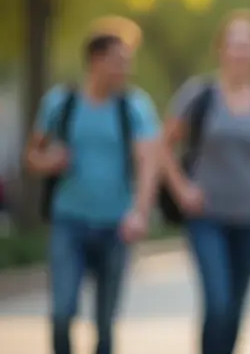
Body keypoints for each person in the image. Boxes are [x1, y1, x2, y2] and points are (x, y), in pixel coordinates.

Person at [161, 9, 250, 354]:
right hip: (206, 214)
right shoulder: (200, 95)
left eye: (248, 44)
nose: (240, 51)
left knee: (235, 309)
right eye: (234, 43)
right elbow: (161, 147)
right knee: (218, 302)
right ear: (220, 48)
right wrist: (181, 188)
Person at [24, 25, 162, 354]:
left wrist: (140, 213)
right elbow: (32, 155)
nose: (125, 68)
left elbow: (148, 163)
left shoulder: (134, 106)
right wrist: (49, 161)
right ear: (95, 60)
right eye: (118, 60)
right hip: (69, 220)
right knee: (61, 313)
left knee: (105, 322)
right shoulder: (61, 103)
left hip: (116, 224)